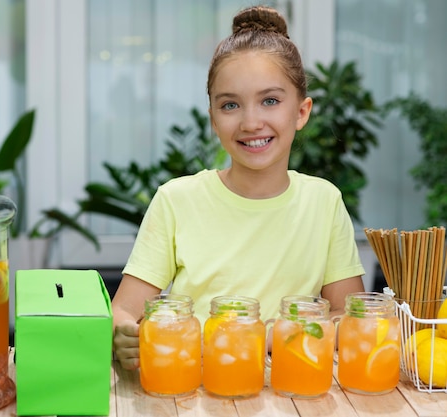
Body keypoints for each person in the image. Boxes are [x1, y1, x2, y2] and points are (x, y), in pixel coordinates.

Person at [111, 5, 366, 371]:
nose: (251, 122)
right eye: (230, 105)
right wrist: (123, 333)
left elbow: (347, 315)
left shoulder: (323, 202)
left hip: (291, 388)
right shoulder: (177, 200)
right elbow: (124, 309)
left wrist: (263, 338)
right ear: (213, 119)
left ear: (302, 112)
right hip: (191, 388)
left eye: (270, 101)